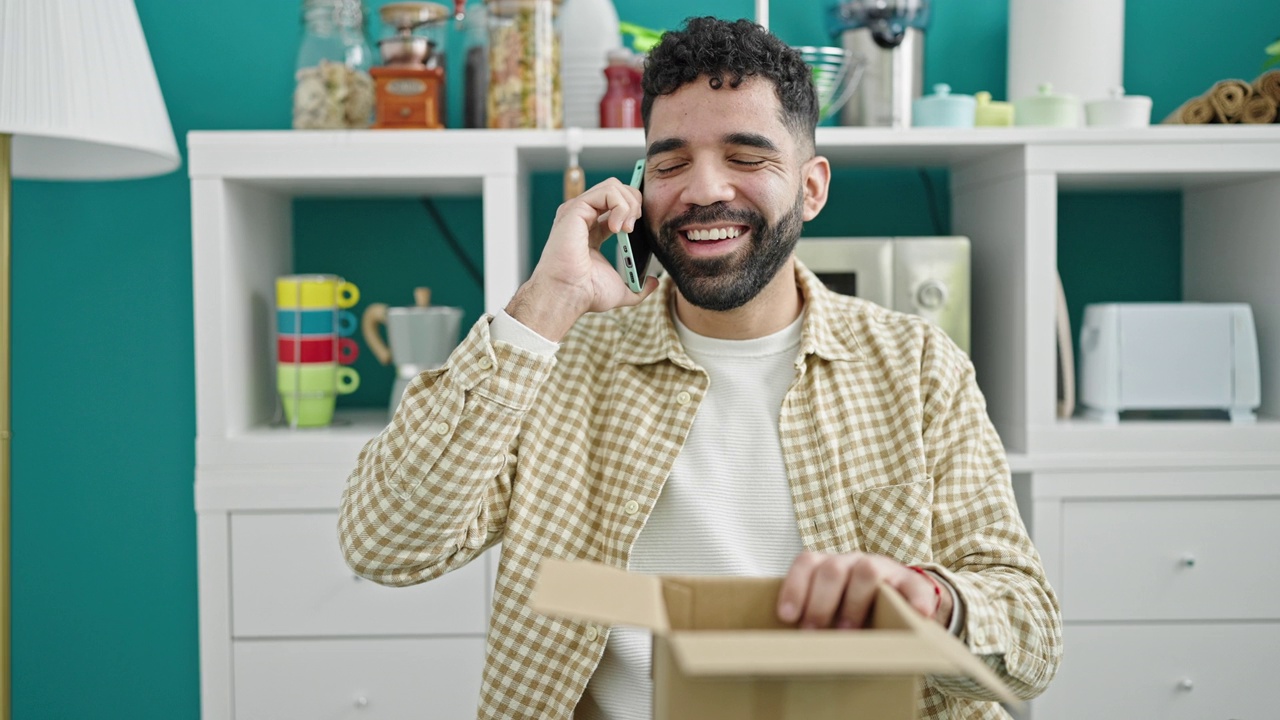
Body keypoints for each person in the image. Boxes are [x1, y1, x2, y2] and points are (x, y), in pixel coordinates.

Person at [340, 15, 1061, 720]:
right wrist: (543, 305)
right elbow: (387, 545)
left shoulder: (917, 366)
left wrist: (927, 597)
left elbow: (1031, 643)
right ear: (638, 189)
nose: (705, 189)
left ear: (812, 187)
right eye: (671, 163)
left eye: (747, 158)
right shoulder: (557, 359)